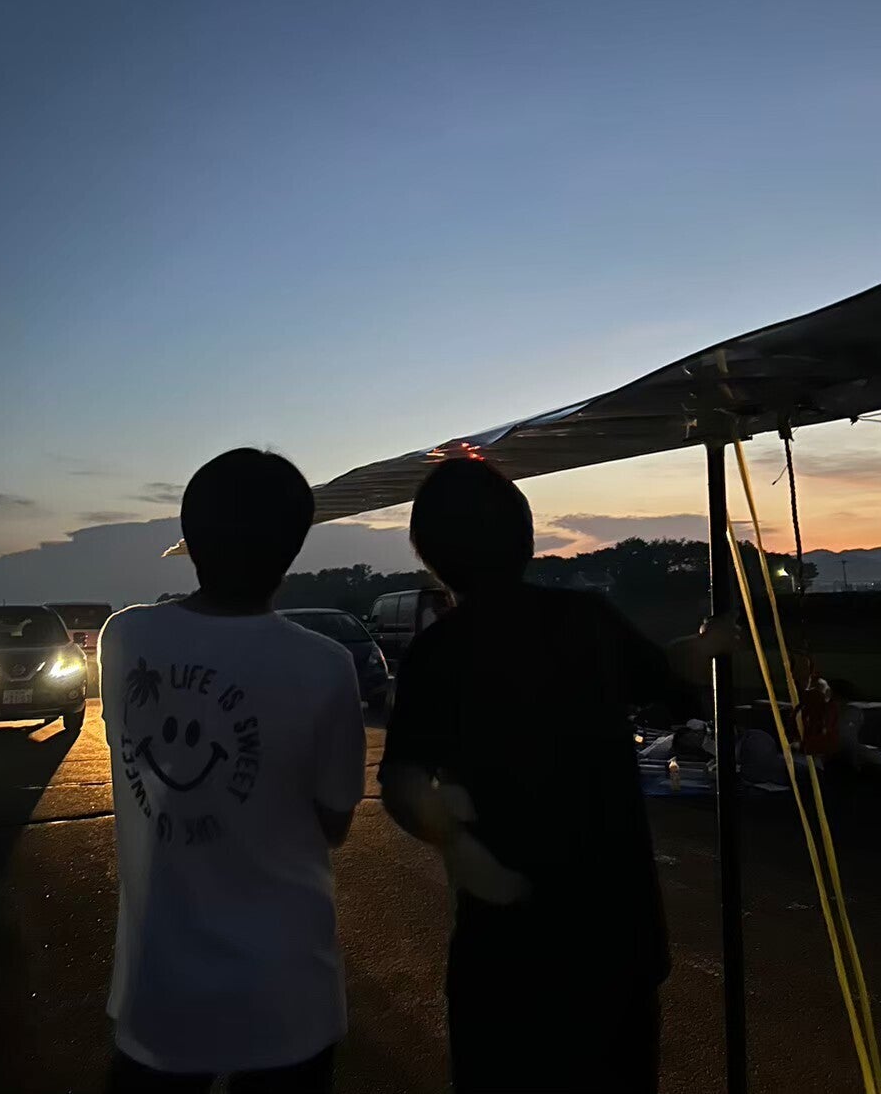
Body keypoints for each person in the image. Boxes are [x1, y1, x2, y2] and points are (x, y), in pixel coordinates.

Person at [378, 457, 735, 1094]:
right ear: (526, 538)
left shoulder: (436, 653)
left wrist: (454, 839)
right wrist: (710, 644)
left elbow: (402, 783)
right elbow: (667, 674)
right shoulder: (588, 620)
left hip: (502, 953)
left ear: (431, 558)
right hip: (615, 941)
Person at [99, 449, 367, 1093]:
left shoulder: (126, 639)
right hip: (288, 991)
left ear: (188, 540)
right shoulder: (326, 666)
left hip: (159, 992)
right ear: (293, 548)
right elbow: (335, 823)